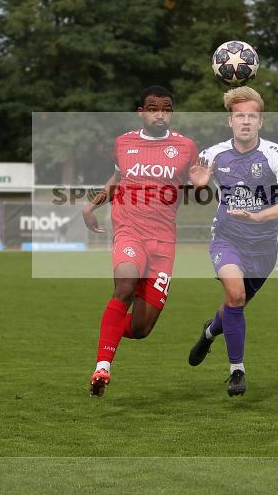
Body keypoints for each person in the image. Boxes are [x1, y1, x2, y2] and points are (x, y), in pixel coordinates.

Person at [82, 86, 211, 397]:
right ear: (140, 111)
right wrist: (91, 205)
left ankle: (108, 329)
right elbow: (117, 180)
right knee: (124, 286)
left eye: (166, 108)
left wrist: (202, 185)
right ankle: (103, 366)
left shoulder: (185, 147)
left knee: (141, 329)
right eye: (153, 108)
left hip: (163, 241)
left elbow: (198, 194)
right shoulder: (123, 142)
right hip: (129, 230)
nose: (160, 113)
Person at [187, 86, 278, 396]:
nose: (246, 122)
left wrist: (258, 217)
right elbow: (198, 194)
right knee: (235, 296)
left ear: (261, 122)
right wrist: (198, 187)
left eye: (252, 116)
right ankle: (236, 371)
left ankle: (209, 333)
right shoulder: (212, 154)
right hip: (226, 238)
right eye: (240, 116)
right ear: (230, 122)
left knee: (234, 306)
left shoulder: (275, 153)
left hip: (264, 246)